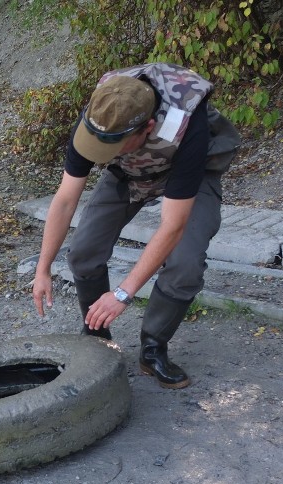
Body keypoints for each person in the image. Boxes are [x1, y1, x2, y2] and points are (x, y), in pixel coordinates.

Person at [32, 62, 241, 389]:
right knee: (83, 251)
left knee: (185, 264)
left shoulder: (188, 123)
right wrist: (43, 268)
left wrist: (123, 292)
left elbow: (172, 226)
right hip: (129, 175)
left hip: (187, 179)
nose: (100, 154)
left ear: (148, 127)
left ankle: (153, 348)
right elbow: (64, 200)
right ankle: (99, 337)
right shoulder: (103, 113)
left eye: (111, 146)